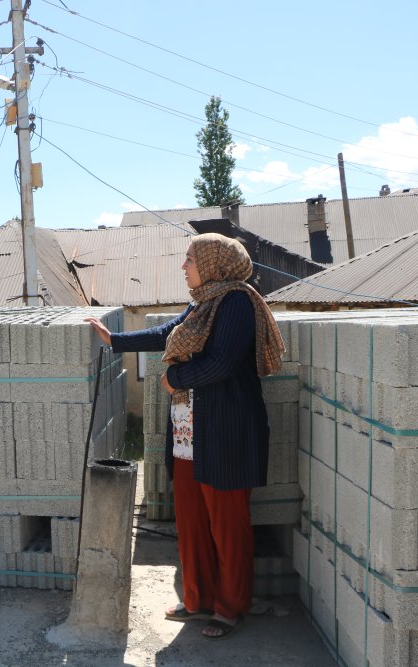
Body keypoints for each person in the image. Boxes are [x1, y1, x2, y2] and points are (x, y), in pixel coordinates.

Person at [85, 233, 283, 640]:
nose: (183, 266)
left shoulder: (236, 304)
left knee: (227, 525)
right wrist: (115, 340)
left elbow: (222, 364)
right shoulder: (203, 304)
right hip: (191, 434)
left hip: (226, 432)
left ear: (213, 263)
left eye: (190, 258)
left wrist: (175, 377)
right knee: (192, 520)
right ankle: (198, 600)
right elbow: (166, 334)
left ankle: (229, 608)